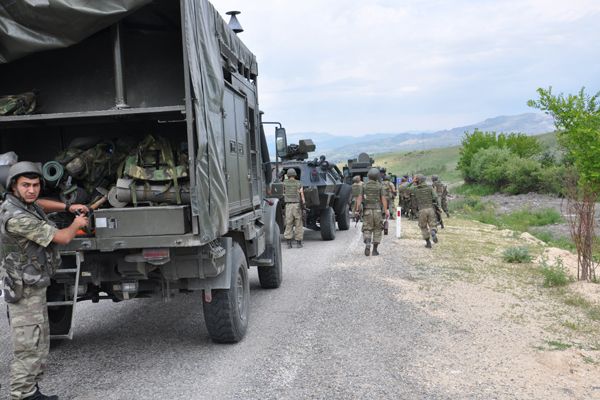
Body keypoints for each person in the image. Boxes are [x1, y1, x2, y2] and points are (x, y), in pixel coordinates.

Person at [1, 161, 89, 400]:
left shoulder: (24, 204)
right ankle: (21, 394)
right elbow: (61, 237)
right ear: (13, 187)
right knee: (28, 347)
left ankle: (32, 391)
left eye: (36, 185)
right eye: (26, 185)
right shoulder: (16, 217)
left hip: (34, 284)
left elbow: (39, 204)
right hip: (24, 290)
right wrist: (76, 223)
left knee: (39, 342)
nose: (32, 190)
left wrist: (67, 207)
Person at [354, 167, 389, 256]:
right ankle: (375, 250)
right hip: (377, 211)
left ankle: (368, 242)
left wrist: (357, 210)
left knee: (367, 229)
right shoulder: (379, 186)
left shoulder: (364, 186)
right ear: (377, 176)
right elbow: (383, 199)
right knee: (377, 229)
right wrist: (386, 210)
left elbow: (359, 198)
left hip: (367, 211)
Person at [411, 174, 439, 248]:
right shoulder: (430, 188)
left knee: (423, 226)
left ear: (417, 180)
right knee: (432, 224)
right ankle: (433, 231)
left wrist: (412, 181)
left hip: (421, 210)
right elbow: (435, 196)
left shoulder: (415, 189)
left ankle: (428, 243)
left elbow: (405, 188)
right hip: (430, 208)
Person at [283, 168, 305, 248]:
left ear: (288, 175)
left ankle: (289, 244)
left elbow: (283, 193)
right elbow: (302, 194)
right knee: (298, 223)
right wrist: (304, 204)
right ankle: (298, 243)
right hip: (297, 205)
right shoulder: (298, 183)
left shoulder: (284, 183)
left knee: (289, 223)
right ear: (295, 175)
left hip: (288, 206)